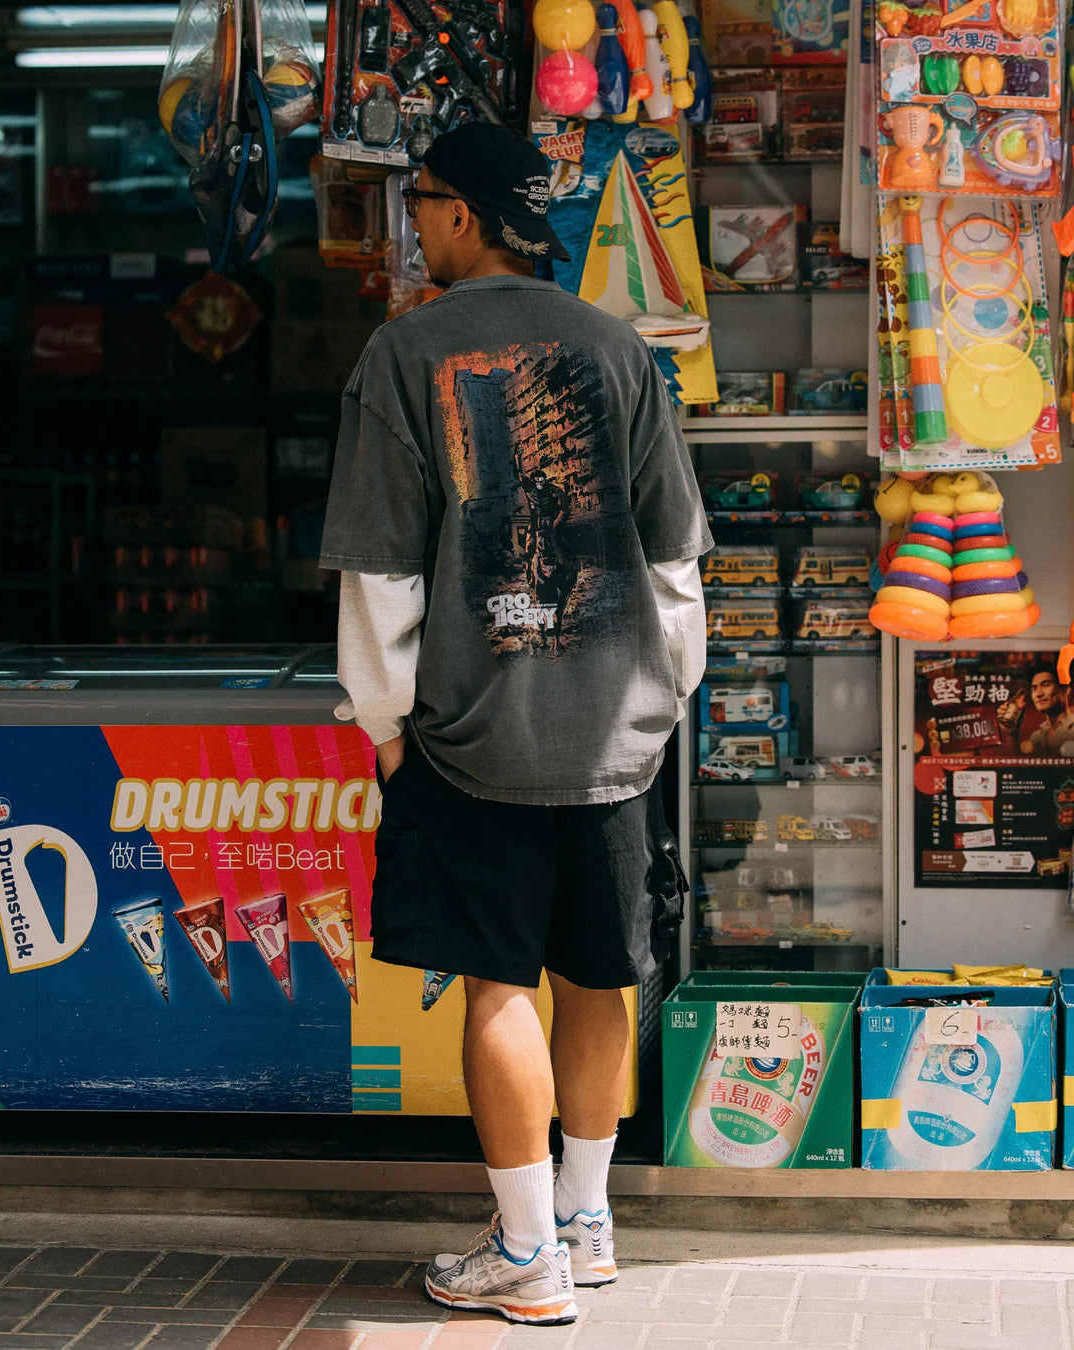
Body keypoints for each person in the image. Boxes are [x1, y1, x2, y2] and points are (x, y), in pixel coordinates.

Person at [320, 122, 710, 1327]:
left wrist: (388, 726)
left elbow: (382, 573)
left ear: (464, 213)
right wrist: (660, 696)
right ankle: (586, 1226)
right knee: (602, 979)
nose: (412, 225)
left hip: (468, 733)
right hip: (614, 732)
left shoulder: (404, 354)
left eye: (421, 202)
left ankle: (527, 1251)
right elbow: (676, 558)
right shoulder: (617, 348)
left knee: (497, 987)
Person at [1024, 665, 1074, 756]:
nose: (1039, 694)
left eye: (1045, 685)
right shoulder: (1036, 737)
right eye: (1034, 688)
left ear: (1066, 690)